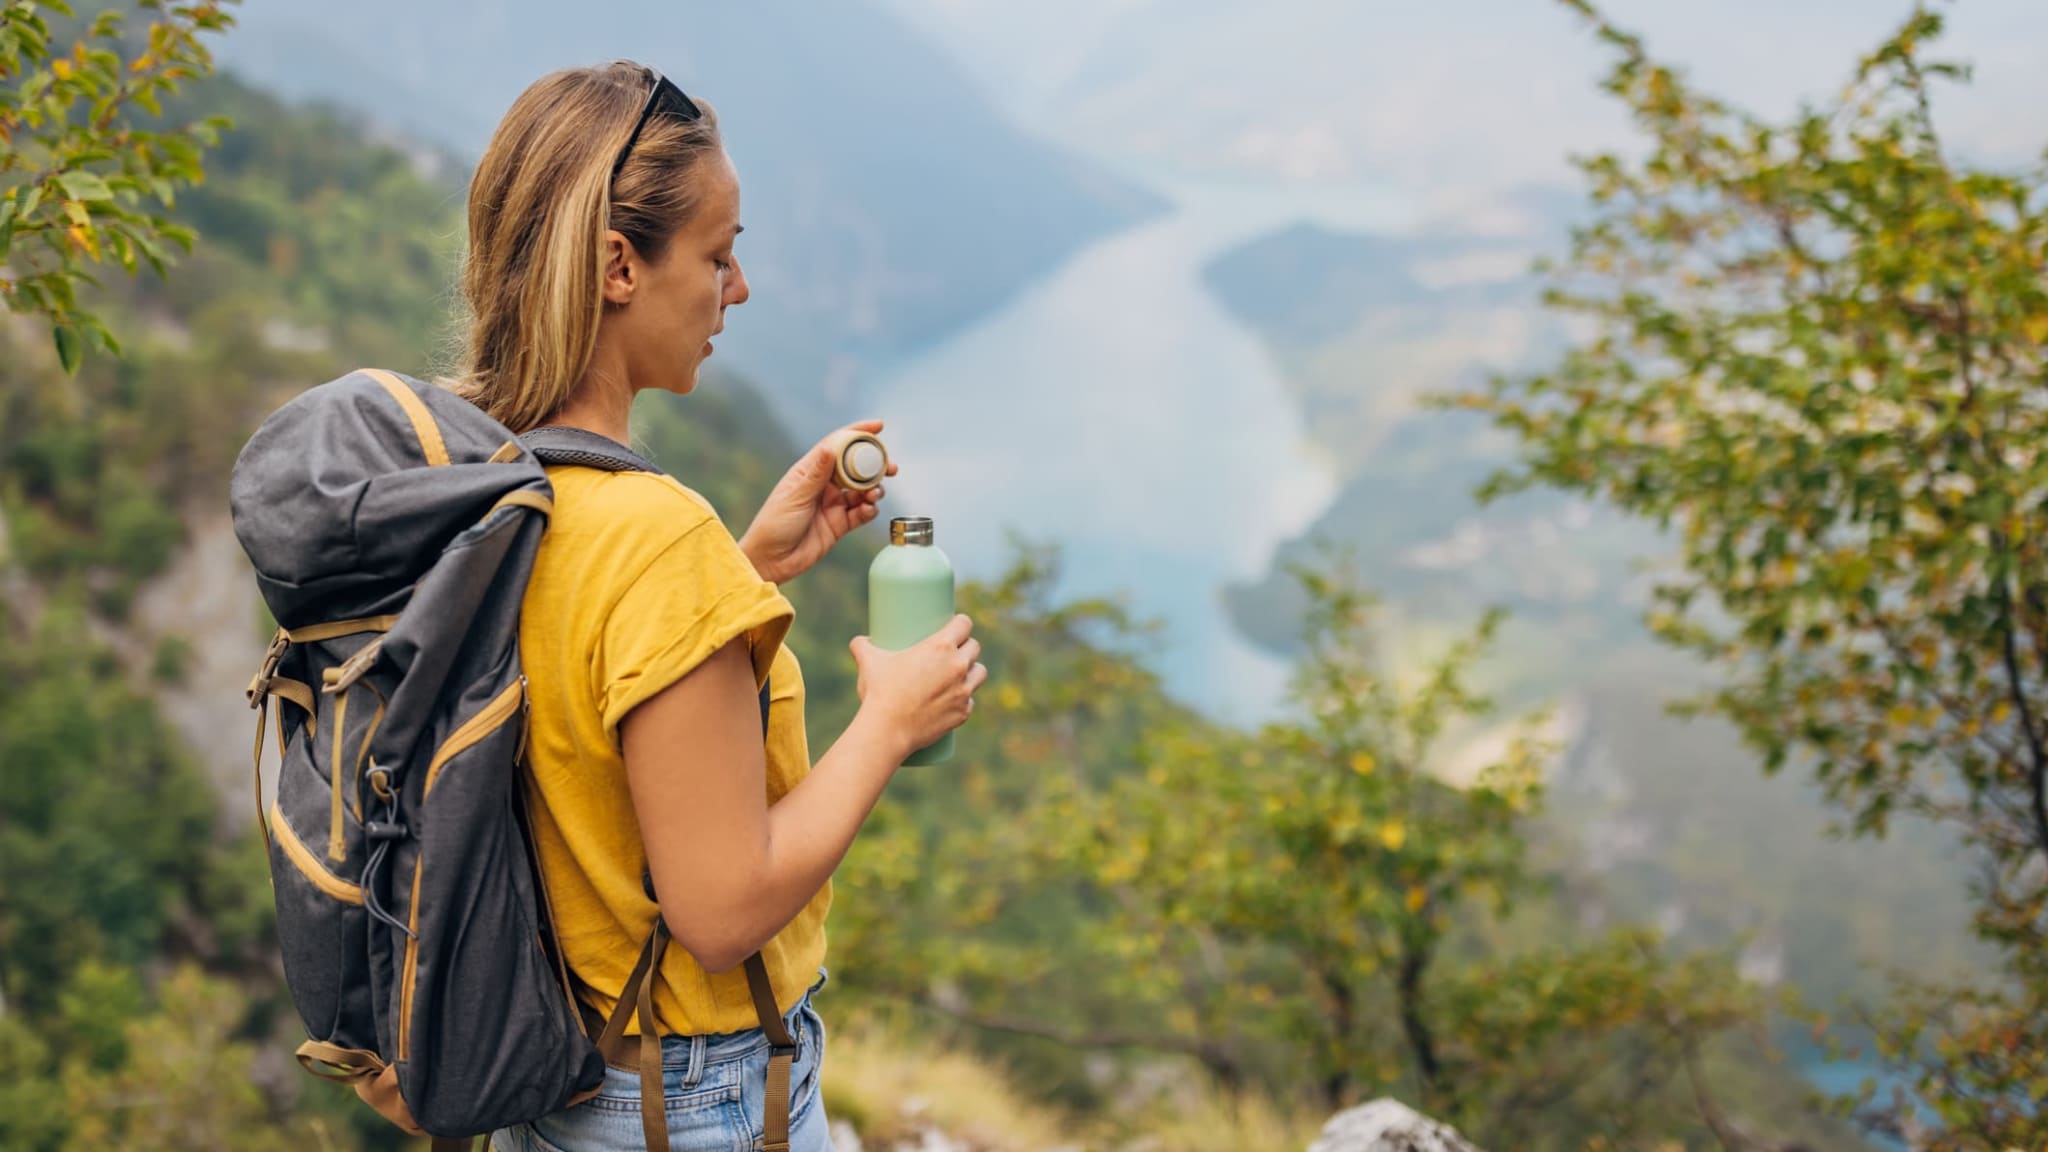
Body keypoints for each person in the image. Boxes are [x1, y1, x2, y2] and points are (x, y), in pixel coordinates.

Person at [450, 61, 987, 1152]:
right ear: (617, 264)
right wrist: (889, 723)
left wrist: (743, 572)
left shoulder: (497, 486)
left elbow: (587, 713)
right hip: (689, 1100)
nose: (735, 289)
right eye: (717, 253)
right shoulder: (652, 540)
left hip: (563, 1082)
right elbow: (721, 908)